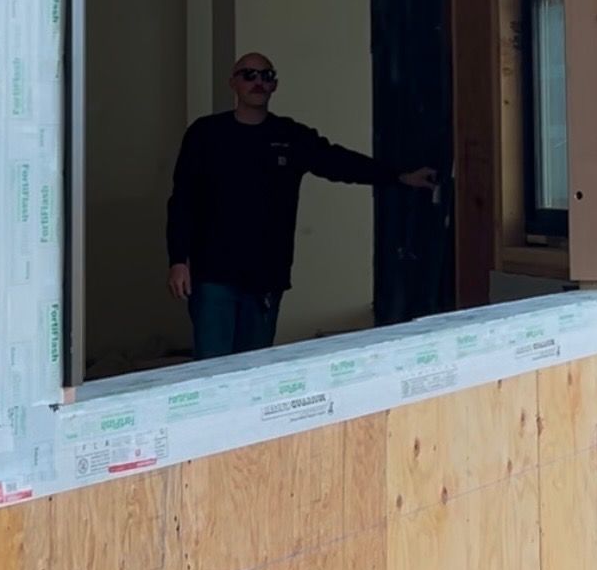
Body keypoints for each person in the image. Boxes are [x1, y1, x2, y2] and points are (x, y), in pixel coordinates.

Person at [167, 52, 436, 361]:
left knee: (254, 367)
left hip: (265, 275)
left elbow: (339, 163)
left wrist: (400, 176)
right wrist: (178, 259)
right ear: (234, 83)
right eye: (249, 75)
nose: (258, 82)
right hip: (213, 273)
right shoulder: (206, 134)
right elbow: (182, 199)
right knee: (211, 368)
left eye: (266, 76)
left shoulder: (289, 135)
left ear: (275, 85)